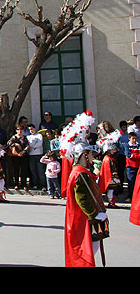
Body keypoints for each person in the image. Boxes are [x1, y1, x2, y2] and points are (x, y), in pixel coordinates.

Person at [60, 110, 108, 267]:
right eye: (90, 154)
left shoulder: (81, 171)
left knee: (90, 249)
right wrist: (95, 214)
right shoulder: (79, 173)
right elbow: (82, 198)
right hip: (84, 219)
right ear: (83, 155)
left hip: (85, 218)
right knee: (87, 251)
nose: (93, 157)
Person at [96, 123, 122, 208]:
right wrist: (113, 177)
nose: (114, 151)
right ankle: (109, 202)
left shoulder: (111, 158)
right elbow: (109, 169)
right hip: (109, 177)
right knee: (109, 190)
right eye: (112, 150)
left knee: (111, 191)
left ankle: (111, 202)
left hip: (111, 177)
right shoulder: (107, 159)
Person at [7, 123, 30, 189]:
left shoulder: (25, 137)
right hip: (15, 155)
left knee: (24, 170)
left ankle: (24, 184)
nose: (19, 130)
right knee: (16, 170)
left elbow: (28, 145)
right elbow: (9, 144)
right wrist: (16, 144)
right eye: (18, 129)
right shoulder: (14, 137)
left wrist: (23, 151)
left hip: (24, 155)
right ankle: (16, 184)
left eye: (21, 129)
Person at [27, 125, 45, 190]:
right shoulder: (28, 137)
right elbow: (28, 145)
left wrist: (32, 145)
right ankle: (35, 184)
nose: (31, 130)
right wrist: (34, 144)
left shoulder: (39, 135)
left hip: (39, 155)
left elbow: (39, 144)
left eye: (32, 129)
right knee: (33, 171)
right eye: (29, 129)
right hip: (31, 155)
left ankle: (43, 185)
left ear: (35, 128)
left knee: (40, 171)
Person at [124, 130, 140, 202]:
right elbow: (129, 155)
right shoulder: (127, 146)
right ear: (129, 138)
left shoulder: (138, 145)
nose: (134, 140)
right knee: (131, 182)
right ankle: (130, 196)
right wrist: (137, 156)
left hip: (138, 166)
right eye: (133, 138)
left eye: (135, 138)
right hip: (130, 167)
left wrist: (135, 156)